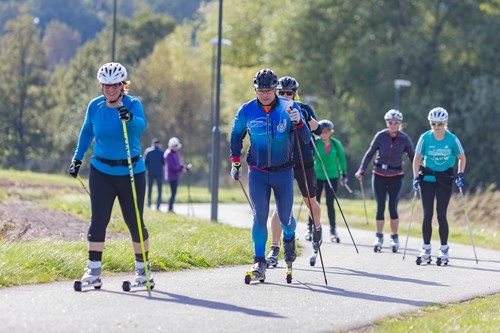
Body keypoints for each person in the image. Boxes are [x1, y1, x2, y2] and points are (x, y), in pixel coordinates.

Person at [69, 62, 153, 287]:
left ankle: (143, 271)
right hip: (101, 170)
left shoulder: (133, 104)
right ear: (101, 86)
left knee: (134, 221)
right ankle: (93, 271)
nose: (110, 89)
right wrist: (77, 159)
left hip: (131, 170)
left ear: (122, 85)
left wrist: (129, 119)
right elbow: (87, 132)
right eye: (106, 85)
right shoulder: (95, 106)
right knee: (98, 221)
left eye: (115, 85)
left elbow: (141, 126)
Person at [230, 69, 310, 281]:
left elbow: (306, 139)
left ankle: (290, 237)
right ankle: (259, 260)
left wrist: (299, 122)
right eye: (260, 90)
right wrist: (235, 162)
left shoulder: (289, 107)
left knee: (285, 218)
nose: (265, 94)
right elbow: (236, 135)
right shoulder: (246, 110)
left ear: (276, 90)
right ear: (255, 89)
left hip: (283, 172)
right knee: (260, 216)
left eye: (269, 90)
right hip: (257, 172)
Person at [265, 76, 323, 268]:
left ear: (295, 94)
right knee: (280, 208)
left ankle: (317, 229)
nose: (284, 96)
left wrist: (306, 118)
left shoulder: (304, 108)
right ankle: (274, 248)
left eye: (288, 93)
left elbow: (319, 130)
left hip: (304, 162)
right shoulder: (272, 111)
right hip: (284, 163)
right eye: (281, 92)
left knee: (310, 201)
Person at [355, 109, 414, 253]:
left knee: (393, 206)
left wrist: (419, 172)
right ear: (386, 123)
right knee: (380, 205)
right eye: (390, 122)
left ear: (400, 124)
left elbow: (413, 157)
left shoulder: (405, 138)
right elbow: (369, 154)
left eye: (396, 123)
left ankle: (394, 237)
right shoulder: (380, 136)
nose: (393, 125)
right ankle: (379, 236)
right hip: (379, 174)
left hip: (396, 175)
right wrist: (361, 170)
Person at [412, 107, 466, 266]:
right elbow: (416, 159)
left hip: (445, 179)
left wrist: (460, 174)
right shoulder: (425, 138)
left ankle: (443, 249)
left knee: (441, 214)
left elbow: (462, 158)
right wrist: (415, 177)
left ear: (445, 123)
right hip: (427, 178)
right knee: (427, 214)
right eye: (434, 123)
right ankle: (426, 249)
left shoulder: (452, 139)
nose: (437, 127)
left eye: (440, 124)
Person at [313, 119, 348, 243]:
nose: (324, 133)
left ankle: (333, 230)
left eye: (327, 131)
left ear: (330, 132)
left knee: (330, 203)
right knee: (314, 203)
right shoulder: (316, 143)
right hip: (317, 176)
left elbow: (342, 159)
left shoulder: (335, 144)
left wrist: (343, 173)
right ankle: (311, 227)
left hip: (332, 176)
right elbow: (310, 156)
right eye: (322, 131)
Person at [164, 137, 191, 213]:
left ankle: (171, 208)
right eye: (175, 145)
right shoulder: (168, 154)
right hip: (171, 176)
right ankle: (170, 208)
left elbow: (178, 164)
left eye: (177, 145)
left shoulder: (175, 153)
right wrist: (181, 169)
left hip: (175, 175)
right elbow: (171, 167)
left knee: (174, 193)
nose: (176, 147)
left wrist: (185, 167)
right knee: (173, 193)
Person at [143, 138, 165, 210]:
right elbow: (164, 163)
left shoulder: (148, 151)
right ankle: (158, 206)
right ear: (159, 144)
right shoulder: (161, 152)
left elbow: (144, 163)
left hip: (150, 173)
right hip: (159, 173)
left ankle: (149, 204)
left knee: (149, 190)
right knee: (159, 190)